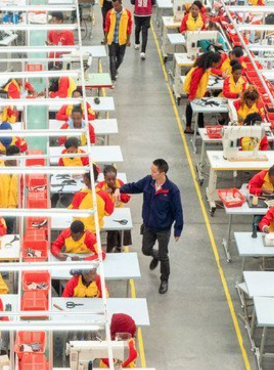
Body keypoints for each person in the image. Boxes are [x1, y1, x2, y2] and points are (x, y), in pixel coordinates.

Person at [117, 159, 183, 294]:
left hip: (163, 229)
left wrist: (178, 229)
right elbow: (134, 186)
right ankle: (155, 255)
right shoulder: (148, 181)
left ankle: (164, 279)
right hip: (148, 225)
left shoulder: (172, 190)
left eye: (154, 171)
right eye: (151, 170)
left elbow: (178, 210)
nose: (151, 173)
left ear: (162, 173)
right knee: (146, 250)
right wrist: (120, 189)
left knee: (164, 255)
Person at [96, 165, 131, 252]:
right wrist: (104, 193)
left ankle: (120, 245)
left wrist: (117, 190)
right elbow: (95, 199)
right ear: (104, 178)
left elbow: (126, 199)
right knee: (113, 229)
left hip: (118, 211)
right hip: (105, 213)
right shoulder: (100, 186)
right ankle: (110, 249)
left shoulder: (120, 184)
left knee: (124, 226)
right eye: (109, 179)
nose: (111, 181)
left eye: (113, 179)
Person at [184, 51, 221, 134]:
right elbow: (194, 83)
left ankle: (192, 127)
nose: (218, 65)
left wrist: (221, 73)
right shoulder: (200, 70)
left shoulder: (205, 67)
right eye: (218, 63)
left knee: (194, 110)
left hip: (195, 93)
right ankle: (199, 129)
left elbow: (212, 71)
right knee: (198, 110)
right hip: (193, 92)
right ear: (213, 62)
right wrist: (191, 97)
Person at [104, 0, 132, 85]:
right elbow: (107, 27)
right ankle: (113, 78)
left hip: (122, 40)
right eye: (113, 6)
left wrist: (128, 40)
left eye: (116, 5)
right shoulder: (110, 13)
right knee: (112, 59)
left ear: (120, 3)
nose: (115, 8)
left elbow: (129, 28)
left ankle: (114, 70)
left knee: (120, 58)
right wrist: (105, 38)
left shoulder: (127, 13)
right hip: (112, 40)